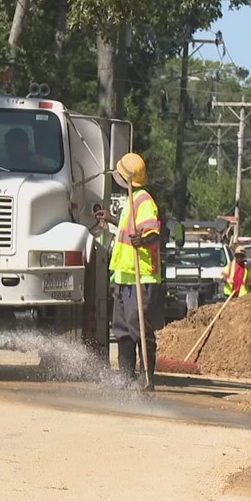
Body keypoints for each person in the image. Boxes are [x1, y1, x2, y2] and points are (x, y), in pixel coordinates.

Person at [95, 152, 164, 391]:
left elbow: (153, 233)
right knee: (122, 329)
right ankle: (125, 377)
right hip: (124, 276)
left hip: (141, 276)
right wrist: (112, 219)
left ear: (127, 177)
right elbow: (129, 229)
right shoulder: (131, 199)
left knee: (139, 326)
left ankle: (147, 378)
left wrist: (142, 241)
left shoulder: (143, 200)